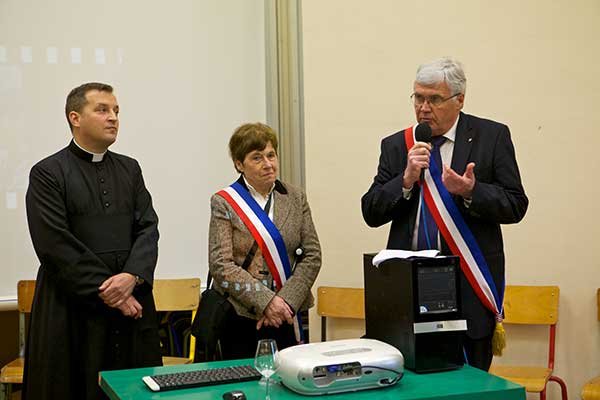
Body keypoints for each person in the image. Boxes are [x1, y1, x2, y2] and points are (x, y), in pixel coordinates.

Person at [361, 58, 528, 371]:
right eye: (418, 98)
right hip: (409, 292)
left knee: (469, 385)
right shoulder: (398, 145)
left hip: (469, 286)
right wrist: (405, 180)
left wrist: (470, 191)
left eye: (434, 99)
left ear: (459, 99)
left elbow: (516, 204)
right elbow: (370, 211)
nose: (424, 108)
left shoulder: (491, 137)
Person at [23, 82, 162, 399]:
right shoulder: (47, 173)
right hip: (72, 309)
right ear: (75, 117)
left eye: (116, 111)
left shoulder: (130, 169)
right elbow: (54, 244)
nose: (113, 117)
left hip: (130, 305)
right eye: (102, 110)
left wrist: (133, 276)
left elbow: (148, 227)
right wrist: (113, 292)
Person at [208, 122, 321, 360]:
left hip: (287, 313)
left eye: (271, 155)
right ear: (239, 164)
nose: (268, 164)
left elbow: (312, 256)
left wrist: (285, 302)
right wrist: (266, 302)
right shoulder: (224, 202)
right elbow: (221, 265)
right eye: (257, 158)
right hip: (242, 316)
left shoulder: (296, 197)